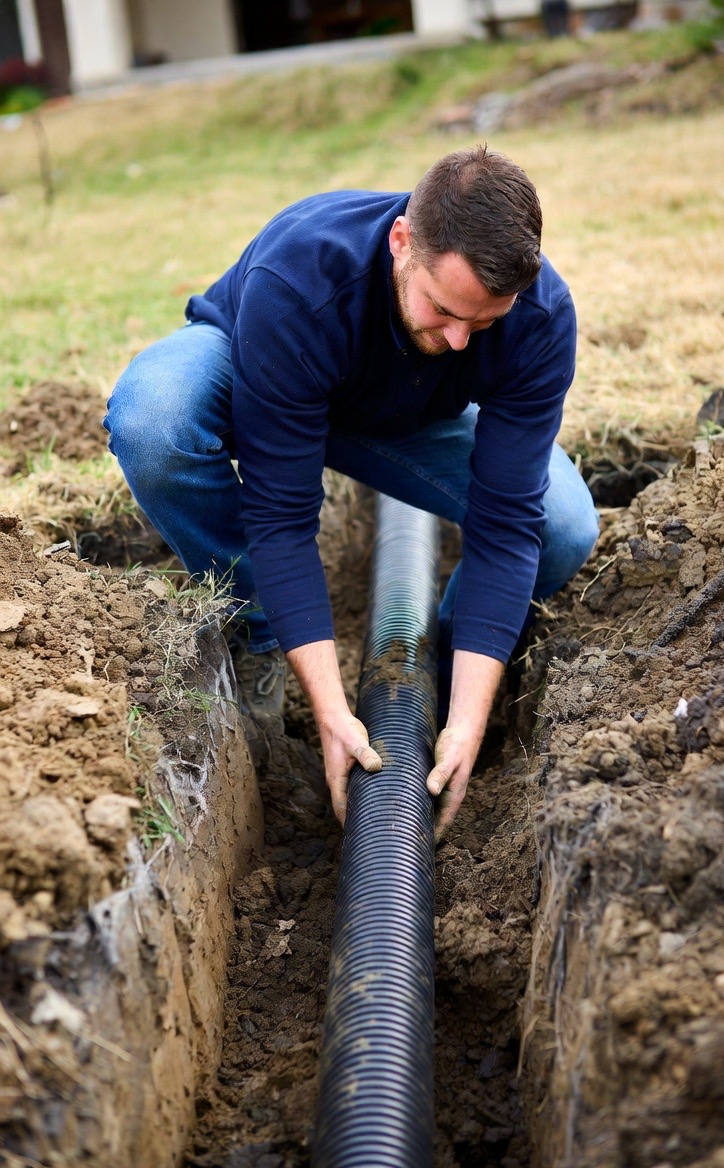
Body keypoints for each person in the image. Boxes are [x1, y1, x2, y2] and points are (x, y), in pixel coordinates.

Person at [105, 145, 598, 839]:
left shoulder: (540, 319)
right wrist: (334, 714)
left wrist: (464, 718)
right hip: (264, 374)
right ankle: (257, 633)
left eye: (482, 323)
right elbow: (282, 519)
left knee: (564, 526)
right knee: (154, 420)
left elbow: (508, 524)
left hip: (405, 414)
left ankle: (446, 655)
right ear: (402, 241)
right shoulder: (304, 273)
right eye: (443, 308)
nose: (459, 340)